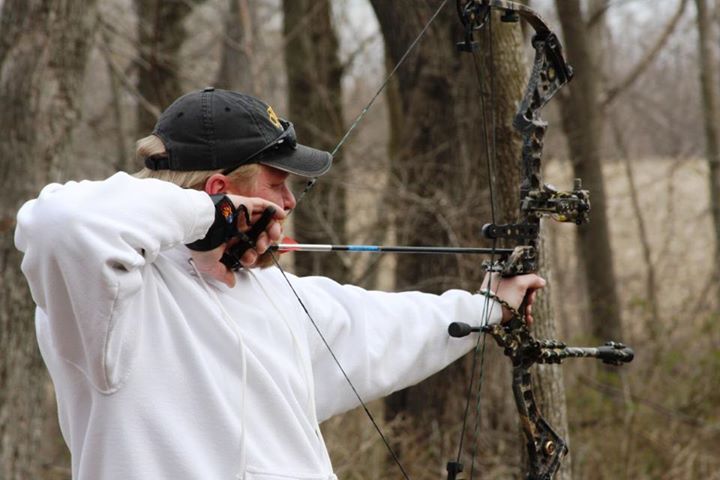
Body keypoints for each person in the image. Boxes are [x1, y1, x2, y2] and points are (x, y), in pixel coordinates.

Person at [15, 87, 545, 480]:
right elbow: (59, 224)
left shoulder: (276, 296)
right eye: (277, 182)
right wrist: (207, 215)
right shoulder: (113, 303)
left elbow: (383, 327)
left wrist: (488, 306)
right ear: (223, 192)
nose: (290, 202)